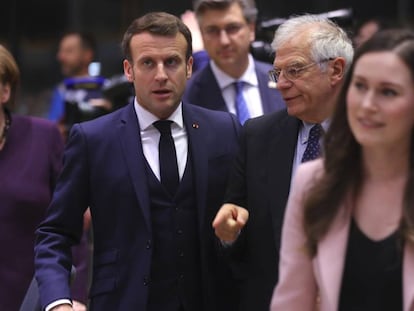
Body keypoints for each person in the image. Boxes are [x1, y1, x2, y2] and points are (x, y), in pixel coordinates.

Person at [34, 11, 241, 311]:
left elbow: (246, 218)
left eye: (171, 61)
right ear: (129, 70)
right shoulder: (94, 139)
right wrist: (57, 303)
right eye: (147, 63)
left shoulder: (224, 130)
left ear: (189, 67)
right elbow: (54, 234)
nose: (160, 75)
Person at [212, 14, 354, 311]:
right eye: (277, 73)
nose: (282, 84)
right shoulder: (258, 136)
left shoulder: (374, 140)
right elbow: (236, 230)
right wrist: (229, 234)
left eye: (295, 70)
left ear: (336, 70)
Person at [270, 28, 414, 311]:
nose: (367, 105)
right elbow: (291, 301)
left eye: (388, 92)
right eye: (359, 86)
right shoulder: (312, 182)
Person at [0, 44, 64, 310]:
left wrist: (75, 296)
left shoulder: (44, 137)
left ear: (5, 90)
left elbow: (71, 226)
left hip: (36, 297)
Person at [183, 0, 285, 124]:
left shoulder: (282, 80)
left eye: (232, 28)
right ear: (202, 34)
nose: (224, 41)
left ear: (251, 29)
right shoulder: (186, 96)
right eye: (212, 30)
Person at [48, 31, 110, 139]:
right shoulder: (60, 90)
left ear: (87, 55)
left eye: (69, 51)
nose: (60, 57)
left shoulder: (106, 89)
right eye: (61, 51)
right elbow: (52, 127)